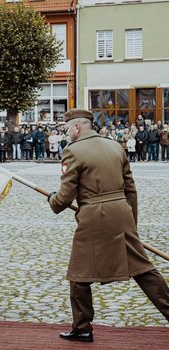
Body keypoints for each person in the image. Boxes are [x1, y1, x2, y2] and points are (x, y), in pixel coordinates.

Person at [47, 109, 169, 343]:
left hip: (94, 216)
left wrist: (52, 200)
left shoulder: (72, 151)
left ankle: (82, 327)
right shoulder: (115, 146)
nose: (67, 133)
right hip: (122, 212)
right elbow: (130, 188)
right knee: (143, 269)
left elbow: (64, 197)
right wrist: (131, 222)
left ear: (78, 127)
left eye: (68, 128)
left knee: (79, 272)